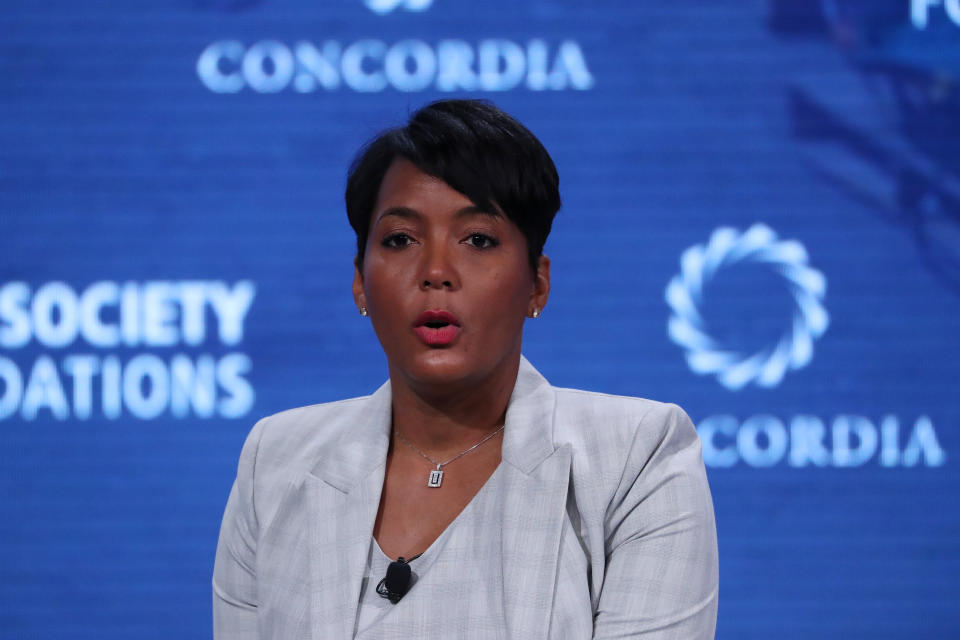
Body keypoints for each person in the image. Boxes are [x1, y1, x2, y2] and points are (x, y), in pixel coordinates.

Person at [212, 99, 718, 639]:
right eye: (400, 240)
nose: (435, 272)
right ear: (360, 280)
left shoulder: (635, 459)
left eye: (477, 239)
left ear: (536, 283)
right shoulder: (278, 462)